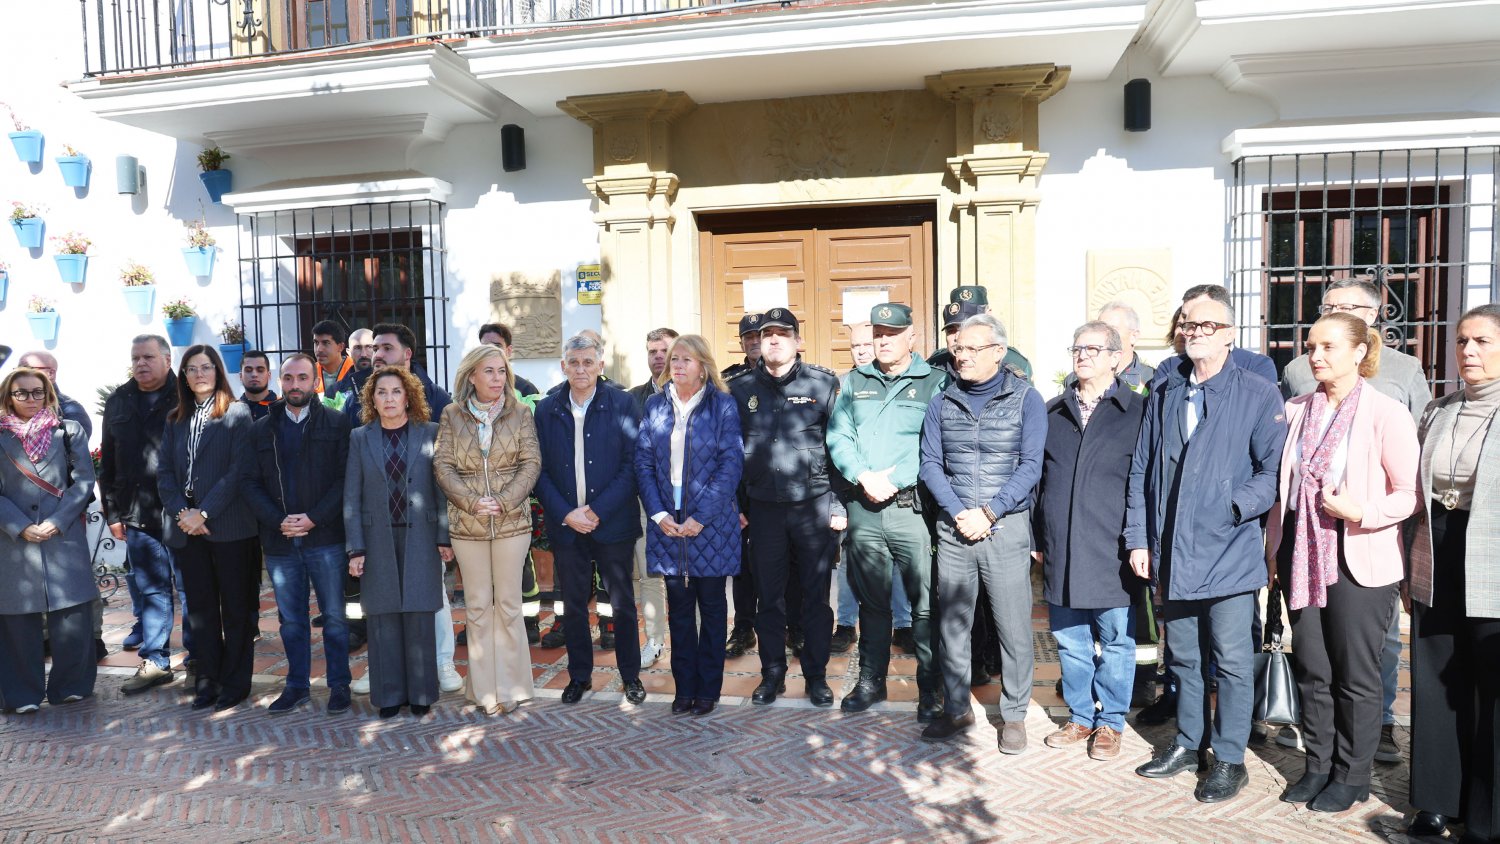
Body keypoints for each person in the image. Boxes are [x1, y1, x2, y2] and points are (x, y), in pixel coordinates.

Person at [1127, 294, 1287, 803]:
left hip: (1230, 553)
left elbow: (1272, 472)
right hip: (1172, 551)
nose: (1195, 331)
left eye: (1207, 324)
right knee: (1184, 659)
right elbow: (1142, 472)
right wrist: (1138, 537)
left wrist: (1232, 506)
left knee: (1234, 662)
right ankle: (1189, 742)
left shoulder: (1258, 393)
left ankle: (1231, 757)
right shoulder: (1166, 392)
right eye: (1188, 323)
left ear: (1228, 334)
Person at [1262, 312, 1419, 811]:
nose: (1316, 356)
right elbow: (1280, 491)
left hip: (1359, 558)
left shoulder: (1386, 413)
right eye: (1311, 347)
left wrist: (1363, 511)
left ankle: (1351, 776)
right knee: (1312, 667)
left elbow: (1410, 494)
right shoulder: (1295, 409)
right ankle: (1318, 766)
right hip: (1302, 556)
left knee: (1356, 675)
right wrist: (1272, 552)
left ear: (1359, 351)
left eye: (1328, 347)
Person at [917, 313, 1045, 751]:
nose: (962, 356)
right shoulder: (942, 402)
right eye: (958, 349)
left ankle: (1014, 715)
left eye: (972, 349)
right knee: (952, 625)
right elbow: (930, 464)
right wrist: (959, 513)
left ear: (998, 352)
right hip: (954, 529)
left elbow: (1031, 466)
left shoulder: (1026, 399)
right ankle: (956, 709)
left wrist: (988, 512)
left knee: (1012, 626)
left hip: (1005, 527)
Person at [1405, 304, 1500, 841]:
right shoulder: (1437, 410)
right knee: (1437, 679)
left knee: (1492, 685)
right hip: (1437, 550)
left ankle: (1486, 817)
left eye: (1483, 341)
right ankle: (1436, 802)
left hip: (1494, 554)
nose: (1469, 352)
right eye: (1463, 341)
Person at [827, 303, 948, 720]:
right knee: (872, 603)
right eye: (878, 333)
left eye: (891, 333)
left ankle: (929, 690)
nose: (882, 340)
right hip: (865, 508)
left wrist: (894, 480)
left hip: (910, 509)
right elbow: (838, 435)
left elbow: (937, 444)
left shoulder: (934, 382)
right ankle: (871, 682)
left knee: (923, 604)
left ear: (911, 337)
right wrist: (861, 474)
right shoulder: (853, 382)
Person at [1034, 321, 1146, 760]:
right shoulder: (1052, 412)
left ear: (1117, 358)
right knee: (1070, 640)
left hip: (1113, 547)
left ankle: (1111, 723)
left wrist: (1142, 541)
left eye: (1094, 349)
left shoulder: (1136, 411)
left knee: (1116, 640)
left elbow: (1147, 481)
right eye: (1077, 348)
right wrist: (1037, 536)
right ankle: (1081, 717)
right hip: (1061, 544)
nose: (1082, 356)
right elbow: (1038, 482)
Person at [335, 323, 460, 692]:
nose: (390, 398)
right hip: (377, 537)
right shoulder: (360, 438)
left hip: (421, 535)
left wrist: (443, 536)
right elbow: (351, 496)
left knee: (426, 607)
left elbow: (440, 491)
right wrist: (355, 547)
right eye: (382, 392)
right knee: (383, 609)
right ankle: (385, 679)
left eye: (396, 392)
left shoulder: (430, 432)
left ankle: (434, 672)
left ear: (409, 397)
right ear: (372, 398)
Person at [728, 308, 840, 707]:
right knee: (768, 598)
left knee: (815, 598)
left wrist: (838, 504)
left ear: (797, 340)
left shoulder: (823, 384)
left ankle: (816, 676)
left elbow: (839, 446)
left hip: (813, 508)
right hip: (763, 511)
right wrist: (733, 505)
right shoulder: (739, 389)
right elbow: (729, 454)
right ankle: (772, 674)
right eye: (765, 334)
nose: (772, 340)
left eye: (781, 334)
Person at [534, 335, 646, 705]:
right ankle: (579, 676)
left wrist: (596, 511)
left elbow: (633, 465)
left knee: (621, 604)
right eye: (573, 362)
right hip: (568, 525)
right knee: (574, 605)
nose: (580, 369)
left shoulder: (623, 403)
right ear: (563, 366)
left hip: (612, 523)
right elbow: (540, 470)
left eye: (587, 362)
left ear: (600, 365)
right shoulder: (546, 409)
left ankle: (631, 676)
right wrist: (567, 513)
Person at [635, 335, 744, 717]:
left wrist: (701, 517)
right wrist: (660, 515)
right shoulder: (654, 405)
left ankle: (707, 690)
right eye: (674, 359)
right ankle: (683, 689)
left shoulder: (723, 405)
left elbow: (731, 466)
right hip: (668, 522)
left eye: (686, 359)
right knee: (679, 611)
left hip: (709, 523)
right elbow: (643, 463)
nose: (677, 365)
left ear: (703, 366)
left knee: (712, 609)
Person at [242, 353, 354, 716]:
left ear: (314, 381)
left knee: (335, 618)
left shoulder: (337, 425)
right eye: (288, 378)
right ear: (280, 380)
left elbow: (344, 481)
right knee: (291, 621)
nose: (294, 385)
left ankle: (339, 685)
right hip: (280, 542)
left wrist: (314, 518)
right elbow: (249, 482)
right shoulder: (261, 429)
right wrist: (279, 520)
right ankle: (296, 686)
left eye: (302, 378)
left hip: (326, 540)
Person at [434, 345, 542, 716]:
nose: (497, 379)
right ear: (472, 377)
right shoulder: (450, 415)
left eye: (501, 371)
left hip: (511, 523)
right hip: (468, 524)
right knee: (478, 606)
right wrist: (471, 501)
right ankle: (483, 690)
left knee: (509, 605)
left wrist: (505, 500)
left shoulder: (521, 413)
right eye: (489, 372)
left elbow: (531, 463)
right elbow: (443, 466)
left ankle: (511, 687)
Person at [157, 345, 259, 712]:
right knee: (200, 611)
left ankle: (235, 683)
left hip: (230, 527)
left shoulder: (237, 413)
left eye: (206, 367)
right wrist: (183, 512)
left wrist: (205, 512)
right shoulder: (174, 419)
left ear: (218, 372)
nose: (200, 374)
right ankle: (208, 679)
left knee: (235, 610)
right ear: (183, 376)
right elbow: (165, 472)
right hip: (188, 530)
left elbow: (239, 471)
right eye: (192, 369)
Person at [0, 368, 98, 712]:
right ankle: (21, 694)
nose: (30, 399)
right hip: (14, 543)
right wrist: (20, 525)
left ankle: (71, 685)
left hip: (63, 536)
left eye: (37, 392)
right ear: (8, 397)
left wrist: (57, 521)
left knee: (72, 616)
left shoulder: (68, 432)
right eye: (21, 393)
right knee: (17, 622)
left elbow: (84, 482)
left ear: (49, 393)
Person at [100, 335, 190, 694]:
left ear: (167, 359)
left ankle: (199, 659)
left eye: (149, 357)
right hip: (137, 514)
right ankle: (156, 661)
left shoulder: (185, 395)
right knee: (152, 590)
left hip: (182, 512)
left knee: (191, 588)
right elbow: (107, 462)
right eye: (136, 357)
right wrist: (112, 512)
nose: (141, 363)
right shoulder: (119, 401)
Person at [831, 322, 913, 655]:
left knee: (898, 561)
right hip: (854, 491)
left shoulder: (901, 379)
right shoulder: (840, 385)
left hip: (897, 489)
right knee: (850, 561)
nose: (862, 350)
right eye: (856, 346)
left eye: (868, 343)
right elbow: (833, 443)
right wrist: (837, 505)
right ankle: (846, 624)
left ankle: (904, 625)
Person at [627, 327, 677, 667]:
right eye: (652, 351)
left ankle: (699, 639)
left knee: (691, 575)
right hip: (647, 501)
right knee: (650, 574)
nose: (658, 357)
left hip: (687, 501)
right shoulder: (632, 398)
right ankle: (655, 640)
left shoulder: (698, 393)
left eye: (664, 351)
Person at [722, 313, 762, 656]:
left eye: (758, 335)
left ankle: (789, 627)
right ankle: (744, 628)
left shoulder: (794, 376)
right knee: (742, 566)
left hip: (776, 484)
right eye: (747, 337)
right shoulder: (728, 381)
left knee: (784, 564)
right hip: (740, 485)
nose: (754, 341)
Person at [16, 351, 91, 437]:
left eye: (27, 369)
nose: (18, 374)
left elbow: (73, 446)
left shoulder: (70, 409)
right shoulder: (7, 403)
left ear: (51, 373)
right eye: (18, 369)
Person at [1095, 303, 1156, 392]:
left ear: (1133, 337)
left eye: (1113, 330)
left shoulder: (1152, 379)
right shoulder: (1080, 377)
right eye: (1100, 330)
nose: (1104, 336)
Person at [478, 323, 540, 398]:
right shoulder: (470, 387)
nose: (490, 351)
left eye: (497, 346)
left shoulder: (527, 390)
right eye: (485, 347)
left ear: (509, 351)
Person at [311, 320, 354, 396]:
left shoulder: (354, 370)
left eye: (326, 343)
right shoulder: (309, 372)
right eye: (316, 343)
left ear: (340, 347)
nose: (319, 349)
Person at [238, 350, 277, 420]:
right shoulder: (231, 412)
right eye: (248, 370)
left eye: (260, 370)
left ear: (269, 375)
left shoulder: (284, 409)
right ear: (240, 376)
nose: (254, 375)